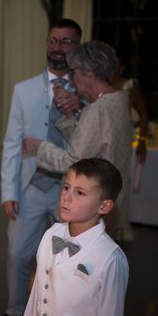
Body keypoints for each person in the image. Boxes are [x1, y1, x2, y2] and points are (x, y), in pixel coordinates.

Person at [0, 19, 83, 316]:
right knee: (19, 252)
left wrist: (79, 108)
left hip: (73, 189)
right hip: (31, 186)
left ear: (78, 47)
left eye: (66, 42)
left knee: (68, 255)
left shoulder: (88, 93)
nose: (57, 47)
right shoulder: (23, 90)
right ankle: (15, 311)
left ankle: (60, 314)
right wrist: (7, 191)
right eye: (53, 41)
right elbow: (12, 143)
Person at [14, 158, 129, 316]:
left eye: (80, 192)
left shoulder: (110, 258)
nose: (66, 196)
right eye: (66, 187)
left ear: (104, 206)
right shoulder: (51, 234)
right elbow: (37, 294)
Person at [24, 40, 132, 242]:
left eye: (73, 73)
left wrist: (39, 147)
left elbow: (73, 162)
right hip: (112, 199)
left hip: (91, 208)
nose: (71, 80)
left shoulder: (98, 109)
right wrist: (72, 115)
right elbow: (93, 144)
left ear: (89, 72)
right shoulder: (119, 100)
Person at [111, 50, 149, 163]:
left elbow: (144, 114)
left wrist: (142, 141)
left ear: (122, 68)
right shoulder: (99, 84)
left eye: (115, 64)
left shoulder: (129, 86)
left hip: (122, 141)